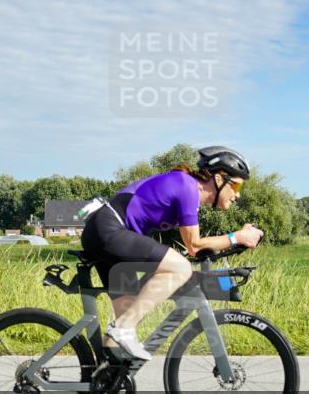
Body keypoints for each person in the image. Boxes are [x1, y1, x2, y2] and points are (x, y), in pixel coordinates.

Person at [80, 146, 264, 360]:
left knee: (126, 321)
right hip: (109, 230)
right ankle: (122, 329)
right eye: (237, 184)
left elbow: (194, 247)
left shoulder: (185, 187)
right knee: (178, 269)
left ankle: (104, 384)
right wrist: (237, 237)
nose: (238, 194)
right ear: (218, 178)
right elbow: (194, 245)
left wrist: (234, 241)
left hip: (109, 234)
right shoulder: (187, 187)